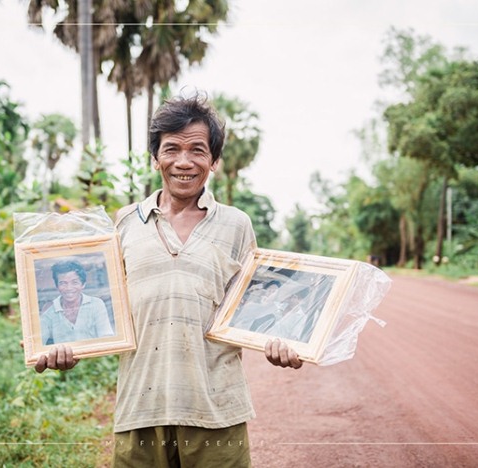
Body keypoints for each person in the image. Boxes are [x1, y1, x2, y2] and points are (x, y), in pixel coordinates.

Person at [33, 94, 303, 467]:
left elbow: (255, 309)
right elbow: (104, 312)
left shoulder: (236, 225)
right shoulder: (123, 223)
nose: (183, 161)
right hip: (139, 409)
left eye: (197, 150)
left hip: (217, 412)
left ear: (213, 161)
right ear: (155, 157)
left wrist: (282, 341)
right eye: (171, 148)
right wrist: (66, 347)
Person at [39, 260, 114, 345]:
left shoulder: (96, 304)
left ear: (83, 284)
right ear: (57, 286)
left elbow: (107, 337)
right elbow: (39, 343)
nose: (69, 288)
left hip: (94, 357)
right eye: (63, 283)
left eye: (75, 282)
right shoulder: (49, 312)